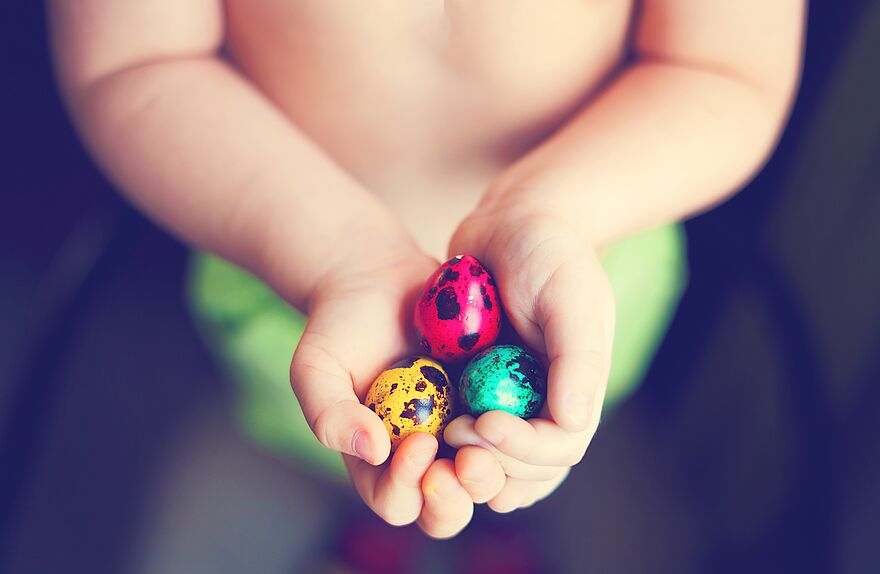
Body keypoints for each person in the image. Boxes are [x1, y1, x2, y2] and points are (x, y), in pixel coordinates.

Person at [49, 0, 804, 539]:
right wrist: (335, 250)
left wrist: (550, 211)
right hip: (291, 277)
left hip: (582, 264)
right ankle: (370, 536)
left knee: (524, 459)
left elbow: (723, 67)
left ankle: (495, 536)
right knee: (339, 457)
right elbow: (134, 62)